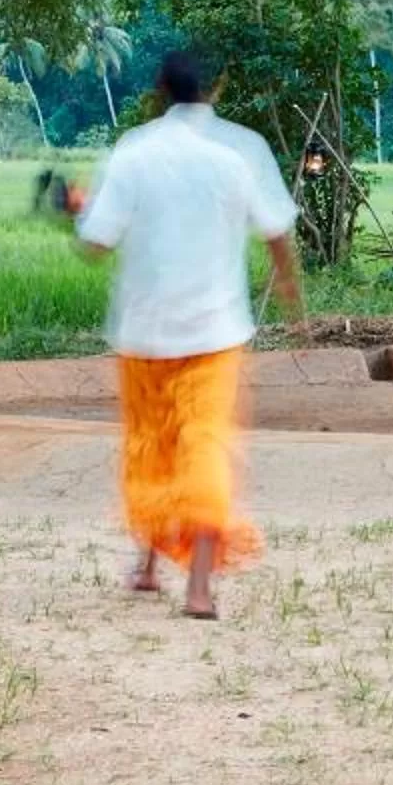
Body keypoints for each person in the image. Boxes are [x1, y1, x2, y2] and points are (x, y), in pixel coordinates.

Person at [71, 48, 304, 619]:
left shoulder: (135, 151)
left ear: (159, 89)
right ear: (216, 86)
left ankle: (147, 567)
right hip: (215, 331)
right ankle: (199, 588)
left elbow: (97, 244)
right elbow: (276, 229)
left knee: (150, 449)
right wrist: (287, 282)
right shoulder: (240, 149)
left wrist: (77, 210)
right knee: (205, 449)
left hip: (143, 332)